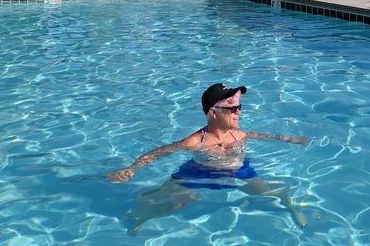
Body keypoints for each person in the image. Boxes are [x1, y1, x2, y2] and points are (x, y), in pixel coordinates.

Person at [107, 83, 308, 233]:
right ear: (213, 112)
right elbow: (159, 152)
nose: (238, 112)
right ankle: (142, 215)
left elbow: (259, 135)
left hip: (237, 170)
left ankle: (290, 206)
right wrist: (131, 169)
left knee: (268, 191)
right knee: (169, 200)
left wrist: (287, 139)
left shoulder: (238, 134)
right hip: (199, 172)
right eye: (232, 109)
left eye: (239, 107)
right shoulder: (195, 141)